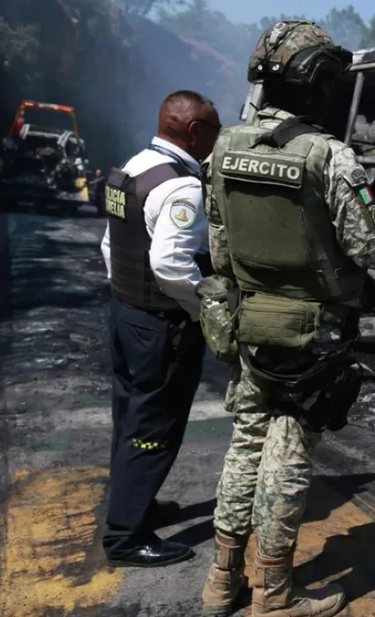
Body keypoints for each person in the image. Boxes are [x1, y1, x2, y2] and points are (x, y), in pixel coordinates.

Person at [197, 20, 375, 617]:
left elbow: (219, 250)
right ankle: (274, 595)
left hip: (248, 324)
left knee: (244, 445)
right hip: (310, 335)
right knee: (287, 456)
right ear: (315, 84)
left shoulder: (223, 147)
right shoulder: (329, 156)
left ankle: (221, 581)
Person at [100, 89, 222, 567]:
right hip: (160, 326)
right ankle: (126, 537)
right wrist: (204, 307)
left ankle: (134, 505)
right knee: (154, 428)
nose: (217, 138)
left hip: (125, 314)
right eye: (213, 129)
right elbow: (172, 264)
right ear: (194, 132)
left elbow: (112, 246)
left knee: (130, 417)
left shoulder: (132, 167)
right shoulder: (183, 187)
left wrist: (127, 295)